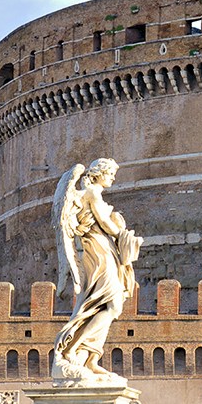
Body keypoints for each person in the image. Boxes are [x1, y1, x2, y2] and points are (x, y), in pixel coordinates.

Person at [52, 158, 141, 382]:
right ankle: (72, 349)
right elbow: (104, 222)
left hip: (102, 248)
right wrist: (126, 235)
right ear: (98, 173)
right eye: (110, 173)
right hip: (98, 251)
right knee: (111, 303)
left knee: (106, 304)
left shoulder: (90, 194)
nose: (112, 177)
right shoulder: (91, 193)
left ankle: (90, 360)